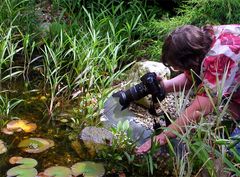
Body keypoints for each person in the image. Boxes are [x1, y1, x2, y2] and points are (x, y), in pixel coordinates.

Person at [136, 24, 240, 154]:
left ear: (191, 60)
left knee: (234, 153)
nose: (178, 70)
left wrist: (163, 137)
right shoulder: (206, 38)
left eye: (178, 67)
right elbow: (195, 76)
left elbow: (198, 109)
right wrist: (164, 86)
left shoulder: (223, 57)